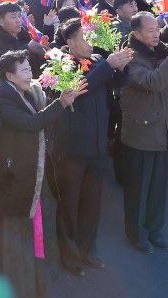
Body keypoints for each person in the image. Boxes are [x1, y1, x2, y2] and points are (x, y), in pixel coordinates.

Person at [0, 49, 86, 296]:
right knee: (20, 233)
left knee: (41, 225)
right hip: (17, 177)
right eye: (24, 70)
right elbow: (30, 124)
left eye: (30, 69)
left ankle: (40, 278)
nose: (29, 74)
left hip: (34, 172)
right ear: (9, 76)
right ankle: (21, 283)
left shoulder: (30, 91)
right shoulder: (2, 100)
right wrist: (61, 104)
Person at [51, 19, 132, 274]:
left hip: (97, 145)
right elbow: (81, 87)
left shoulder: (98, 61)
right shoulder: (59, 65)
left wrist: (121, 66)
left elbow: (118, 83)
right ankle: (70, 255)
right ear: (70, 42)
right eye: (84, 38)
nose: (90, 44)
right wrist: (109, 65)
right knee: (69, 203)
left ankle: (89, 249)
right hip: (72, 149)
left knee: (92, 203)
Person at [120, 13, 168, 252]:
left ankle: (155, 229)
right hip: (142, 132)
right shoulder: (130, 57)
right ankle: (136, 233)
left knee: (158, 188)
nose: (156, 33)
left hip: (164, 130)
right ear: (136, 34)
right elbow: (152, 82)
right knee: (139, 190)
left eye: (157, 28)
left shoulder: (163, 51)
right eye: (150, 30)